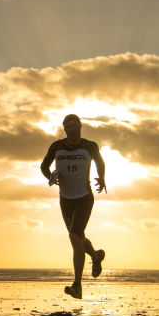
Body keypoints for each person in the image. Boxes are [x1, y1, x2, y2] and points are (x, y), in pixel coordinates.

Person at [40, 114, 106, 299]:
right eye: (67, 126)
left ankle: (77, 285)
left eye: (74, 125)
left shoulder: (89, 146)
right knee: (78, 238)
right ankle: (95, 255)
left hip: (84, 197)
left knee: (74, 237)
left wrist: (102, 178)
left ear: (80, 127)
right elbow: (44, 166)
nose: (71, 129)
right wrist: (50, 177)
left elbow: (100, 162)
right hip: (65, 199)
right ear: (64, 129)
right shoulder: (56, 146)